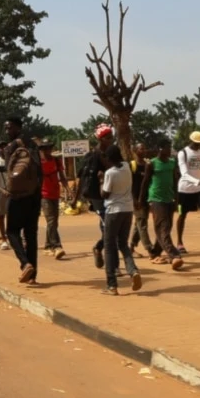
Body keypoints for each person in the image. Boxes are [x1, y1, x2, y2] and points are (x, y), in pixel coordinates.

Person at [3, 117, 42, 284]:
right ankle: (33, 277)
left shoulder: (12, 146)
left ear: (18, 128)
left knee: (11, 231)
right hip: (35, 195)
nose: (7, 132)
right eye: (6, 128)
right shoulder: (34, 143)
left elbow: (9, 170)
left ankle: (25, 264)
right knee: (31, 235)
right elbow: (40, 169)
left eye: (9, 128)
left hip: (18, 196)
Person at [100, 145, 142, 295]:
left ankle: (111, 284)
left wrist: (100, 181)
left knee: (109, 246)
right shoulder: (126, 167)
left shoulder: (110, 173)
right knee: (123, 244)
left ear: (109, 159)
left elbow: (105, 194)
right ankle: (133, 270)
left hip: (113, 211)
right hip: (127, 209)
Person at [72, 124, 114, 269]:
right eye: (108, 138)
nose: (111, 140)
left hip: (112, 196)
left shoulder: (112, 154)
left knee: (110, 228)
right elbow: (81, 179)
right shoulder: (92, 156)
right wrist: (75, 199)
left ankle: (98, 248)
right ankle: (112, 264)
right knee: (108, 228)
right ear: (101, 139)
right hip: (97, 197)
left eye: (112, 137)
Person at [142, 139, 185, 270]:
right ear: (160, 149)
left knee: (166, 227)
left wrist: (177, 199)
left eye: (170, 147)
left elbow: (175, 181)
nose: (169, 150)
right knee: (163, 228)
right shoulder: (152, 164)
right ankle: (174, 255)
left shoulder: (172, 163)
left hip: (169, 198)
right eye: (167, 147)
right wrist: (141, 200)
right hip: (156, 199)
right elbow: (145, 182)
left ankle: (155, 253)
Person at [38, 139, 69, 260]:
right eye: (45, 148)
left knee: (54, 222)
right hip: (44, 194)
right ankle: (57, 246)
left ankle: (47, 246)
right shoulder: (39, 162)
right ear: (42, 150)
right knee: (51, 221)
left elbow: (62, 176)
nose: (47, 150)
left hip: (55, 193)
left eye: (49, 148)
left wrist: (68, 189)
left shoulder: (56, 160)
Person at [129, 143, 161, 258]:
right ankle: (150, 248)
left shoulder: (148, 165)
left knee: (138, 223)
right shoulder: (132, 165)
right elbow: (129, 185)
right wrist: (134, 200)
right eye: (141, 149)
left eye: (145, 148)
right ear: (135, 151)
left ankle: (131, 247)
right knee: (142, 224)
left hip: (147, 198)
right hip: (136, 200)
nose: (144, 150)